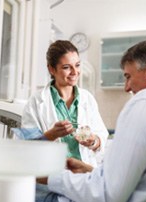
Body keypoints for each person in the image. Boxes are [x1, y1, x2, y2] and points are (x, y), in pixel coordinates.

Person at [34, 38, 146, 202]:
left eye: (128, 76)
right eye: (67, 67)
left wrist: (52, 177)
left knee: (16, 198)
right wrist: (91, 171)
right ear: (52, 70)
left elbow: (106, 196)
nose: (126, 87)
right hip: (107, 192)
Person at [22, 40, 109, 168]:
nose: (75, 72)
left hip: (84, 174)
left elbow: (101, 135)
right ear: (52, 69)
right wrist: (51, 135)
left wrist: (93, 141)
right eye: (66, 67)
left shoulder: (87, 99)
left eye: (78, 65)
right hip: (52, 176)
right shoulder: (36, 102)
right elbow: (26, 148)